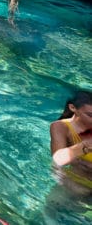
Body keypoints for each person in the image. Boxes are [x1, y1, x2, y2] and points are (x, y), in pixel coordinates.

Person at [44, 90, 92, 222]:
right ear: (73, 108)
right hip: (77, 185)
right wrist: (85, 146)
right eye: (90, 115)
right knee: (50, 211)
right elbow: (58, 159)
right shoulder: (61, 127)